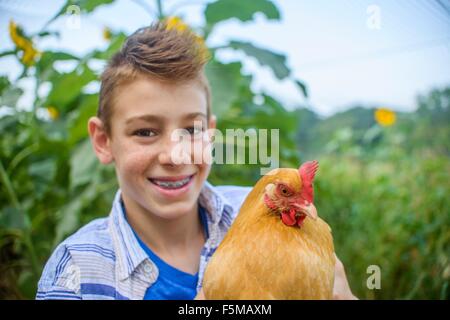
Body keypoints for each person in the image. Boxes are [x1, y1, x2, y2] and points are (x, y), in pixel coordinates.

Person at [36, 18, 356, 300]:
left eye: (192, 129)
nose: (175, 155)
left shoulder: (265, 214)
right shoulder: (78, 272)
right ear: (104, 141)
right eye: (145, 132)